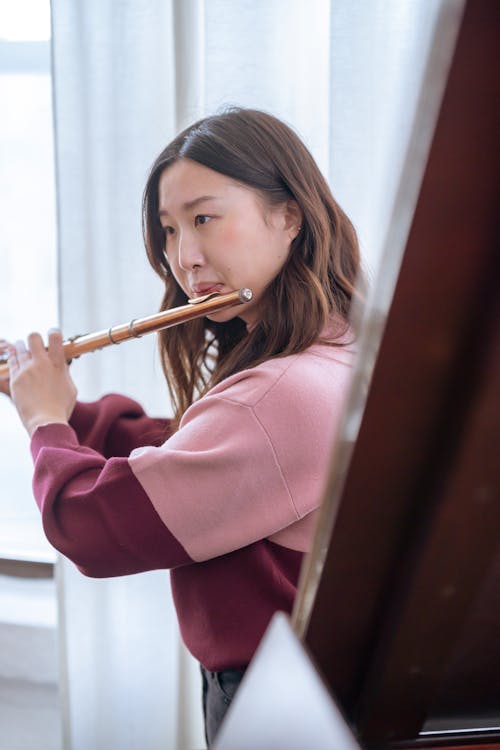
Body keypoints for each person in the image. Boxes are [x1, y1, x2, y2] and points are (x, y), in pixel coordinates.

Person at [0, 107, 361, 745]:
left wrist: (44, 420)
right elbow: (190, 454)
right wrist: (54, 401)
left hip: (279, 708)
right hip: (313, 689)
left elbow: (89, 523)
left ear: (290, 216)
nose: (182, 258)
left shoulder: (279, 396)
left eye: (203, 218)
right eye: (168, 231)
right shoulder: (336, 357)